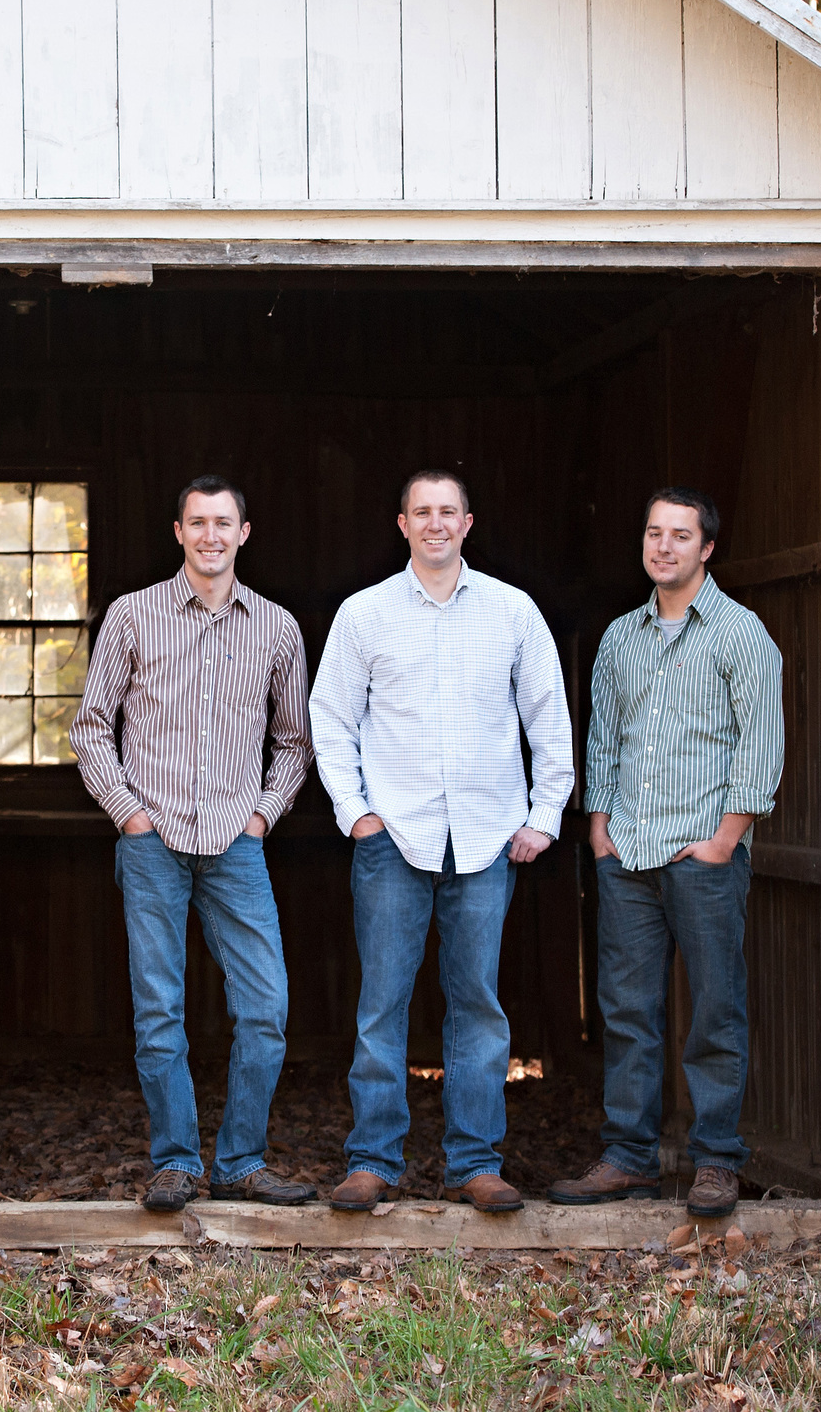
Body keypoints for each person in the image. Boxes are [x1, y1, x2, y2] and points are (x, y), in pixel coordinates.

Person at [310, 469, 573, 1214]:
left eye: (447, 511)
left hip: (488, 839)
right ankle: (373, 1161)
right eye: (421, 512)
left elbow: (547, 718)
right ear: (402, 524)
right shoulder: (364, 615)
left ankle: (474, 1162)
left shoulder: (512, 612)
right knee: (382, 1005)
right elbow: (330, 718)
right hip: (394, 835)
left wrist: (544, 814)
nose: (434, 523)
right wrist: (354, 810)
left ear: (467, 522)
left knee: (479, 1006)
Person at [71, 475, 317, 1214]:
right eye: (197, 522)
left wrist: (263, 816)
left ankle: (240, 1159)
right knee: (158, 1010)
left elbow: (293, 741)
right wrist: (128, 812)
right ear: (177, 531)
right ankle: (175, 1160)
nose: (211, 535)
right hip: (153, 837)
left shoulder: (277, 627)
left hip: (237, 841)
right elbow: (91, 726)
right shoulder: (132, 616)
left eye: (224, 523)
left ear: (245, 532)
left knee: (266, 1007)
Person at [549, 488, 782, 1220]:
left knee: (713, 1008)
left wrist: (724, 837)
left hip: (702, 854)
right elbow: (605, 735)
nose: (664, 547)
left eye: (681, 535)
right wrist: (599, 823)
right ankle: (628, 1158)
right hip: (628, 854)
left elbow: (761, 742)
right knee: (627, 1009)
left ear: (707, 548)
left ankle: (715, 1159)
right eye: (654, 533)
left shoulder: (741, 635)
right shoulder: (621, 636)